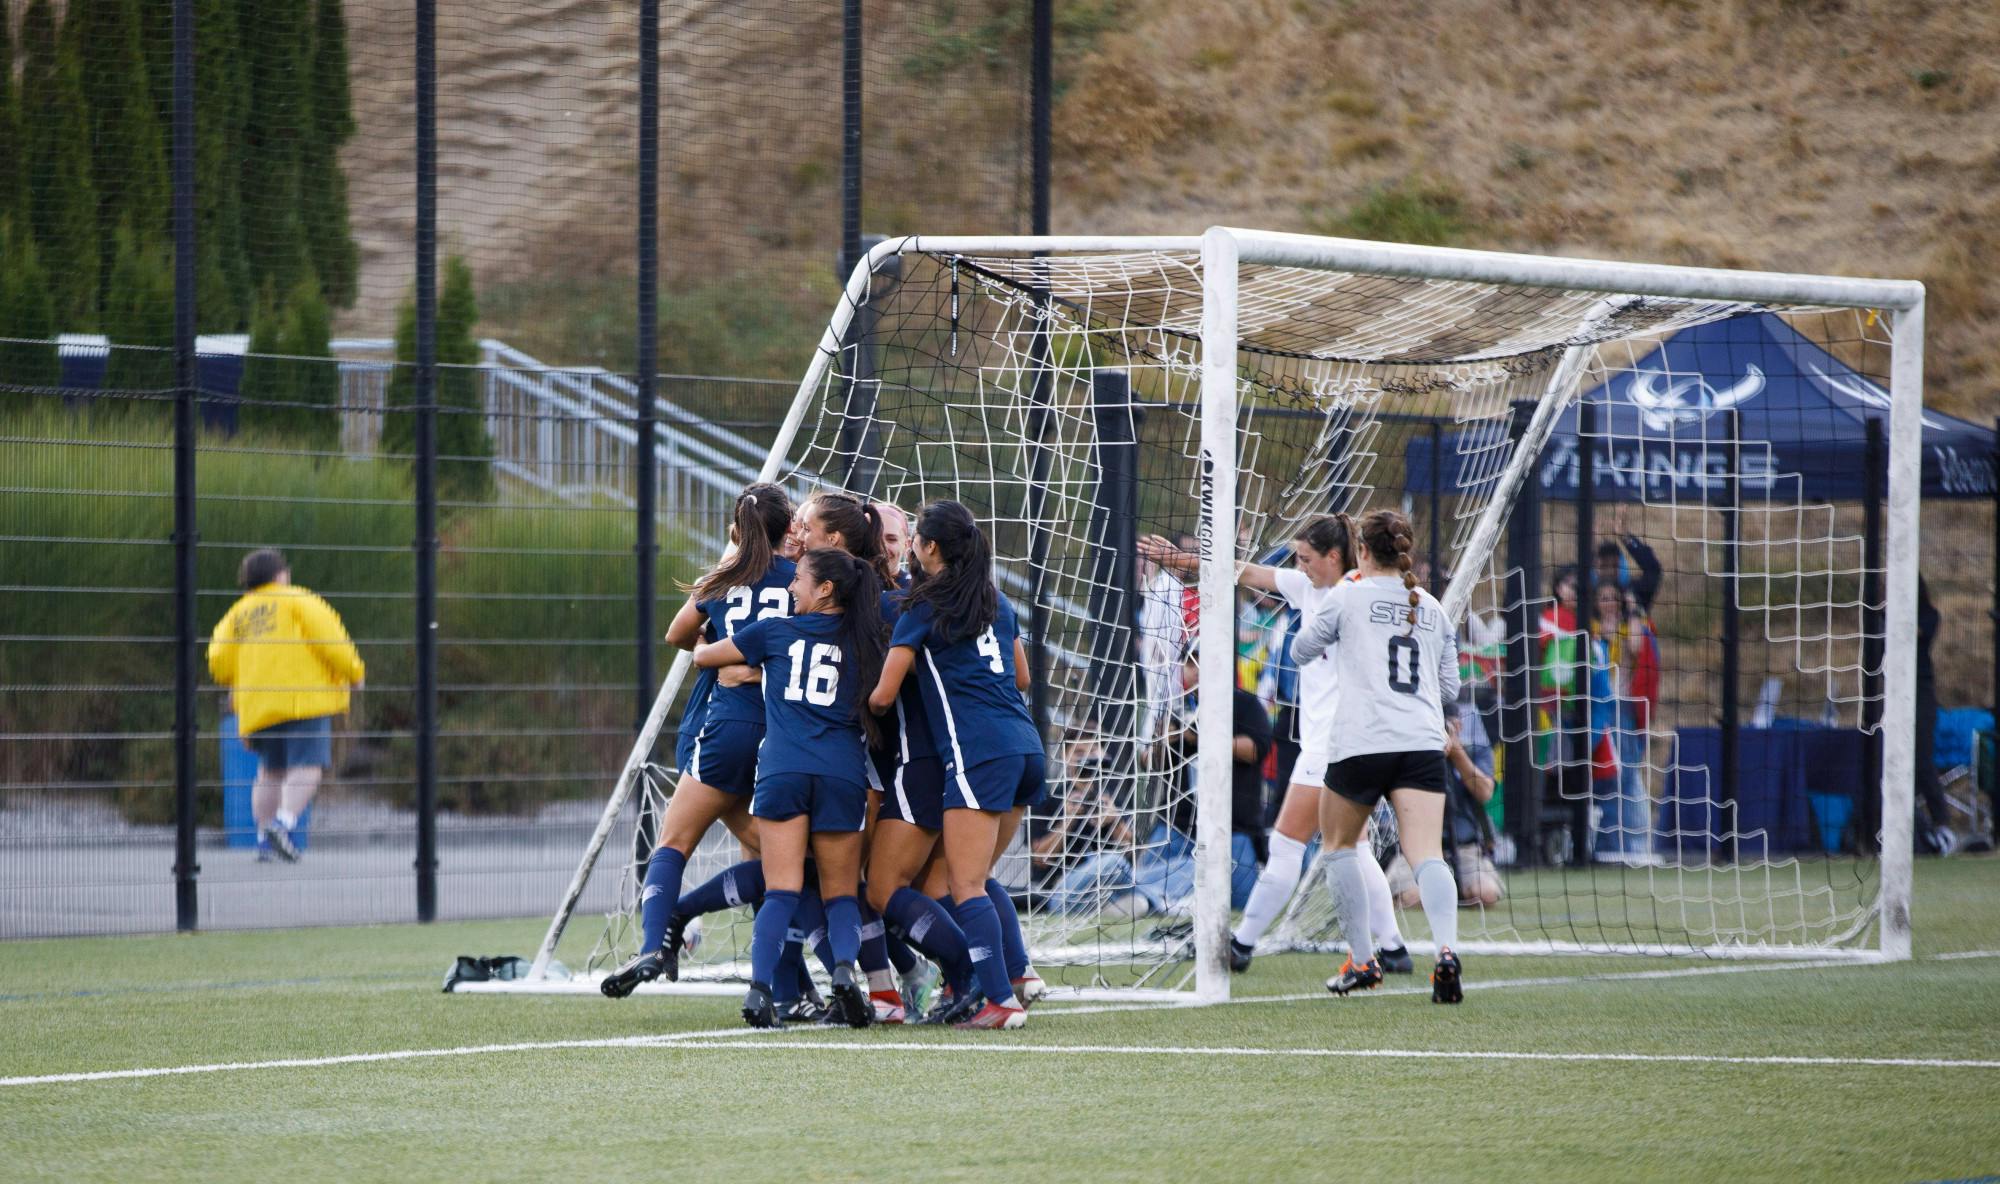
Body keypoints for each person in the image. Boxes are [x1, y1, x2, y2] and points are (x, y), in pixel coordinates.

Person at [1138, 519, 1413, 976]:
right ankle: (1394, 947)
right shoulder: (1326, 589)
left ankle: (1242, 943)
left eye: (1307, 559)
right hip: (1358, 743)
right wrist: (1181, 560)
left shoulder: (1348, 595)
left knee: (1288, 845)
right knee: (1355, 848)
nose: (1299, 568)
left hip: (1332, 746)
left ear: (1335, 556)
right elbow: (1241, 571)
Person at [600, 483, 794, 999]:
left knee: (674, 842)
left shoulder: (723, 579)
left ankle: (654, 942)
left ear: (738, 528)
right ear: (787, 528)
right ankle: (787, 984)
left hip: (727, 730)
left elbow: (677, 634)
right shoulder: (804, 580)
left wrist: (715, 649)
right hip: (784, 737)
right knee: (778, 863)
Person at [695, 547, 886, 1029]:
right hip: (842, 773)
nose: (790, 586)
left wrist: (710, 642)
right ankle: (844, 970)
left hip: (782, 770)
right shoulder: (868, 642)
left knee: (780, 890)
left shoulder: (774, 631)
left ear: (825, 589)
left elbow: (705, 658)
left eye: (798, 578)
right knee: (841, 895)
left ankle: (761, 991)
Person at [870, 500, 1040, 1030]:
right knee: (979, 878)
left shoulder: (921, 607)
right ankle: (1016, 978)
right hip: (1027, 747)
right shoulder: (994, 599)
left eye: (916, 537)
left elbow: (883, 695)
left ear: (931, 549)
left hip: (976, 753)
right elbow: (1022, 677)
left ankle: (997, 1002)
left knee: (964, 886)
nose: (912, 545)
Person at [1293, 508, 1465, 1003]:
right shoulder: (1430, 607)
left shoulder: (1347, 595)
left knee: (1340, 847)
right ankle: (1447, 952)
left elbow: (1301, 651)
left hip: (1362, 741)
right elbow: (1449, 686)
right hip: (1420, 744)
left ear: (1361, 552)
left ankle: (1363, 961)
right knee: (1427, 854)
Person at [207, 548, 365, 862]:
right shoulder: (299, 600)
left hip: (258, 704)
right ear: (281, 575)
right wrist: (355, 673)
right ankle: (284, 822)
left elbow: (219, 663)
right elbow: (332, 641)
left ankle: (265, 841)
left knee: (270, 770)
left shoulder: (237, 614)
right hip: (303, 698)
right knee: (309, 764)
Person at [1387, 699, 1502, 907]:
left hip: (1465, 846)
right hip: (1416, 849)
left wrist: (1457, 752)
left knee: (1486, 894)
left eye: (1450, 725)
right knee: (1414, 897)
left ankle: (1450, 890)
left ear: (1459, 724)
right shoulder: (1410, 745)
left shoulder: (1474, 746)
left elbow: (1485, 793)